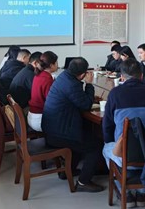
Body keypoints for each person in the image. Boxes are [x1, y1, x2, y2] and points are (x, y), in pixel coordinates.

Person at [102, 58, 145, 207]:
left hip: (125, 154)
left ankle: (124, 191)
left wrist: (111, 142)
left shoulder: (115, 93)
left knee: (106, 148)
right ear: (141, 75)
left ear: (122, 77)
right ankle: (142, 191)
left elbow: (107, 125)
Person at [42, 57, 104, 192]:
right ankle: (83, 182)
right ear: (82, 74)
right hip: (59, 132)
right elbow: (85, 105)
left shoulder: (64, 77)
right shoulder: (72, 84)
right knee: (96, 145)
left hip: (52, 127)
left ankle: (67, 171)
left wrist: (87, 95)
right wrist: (89, 85)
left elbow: (77, 99)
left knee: (84, 134)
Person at [27, 51, 58, 131]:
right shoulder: (48, 80)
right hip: (40, 120)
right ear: (51, 65)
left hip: (32, 116)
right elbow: (52, 102)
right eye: (56, 63)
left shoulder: (38, 75)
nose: (58, 65)